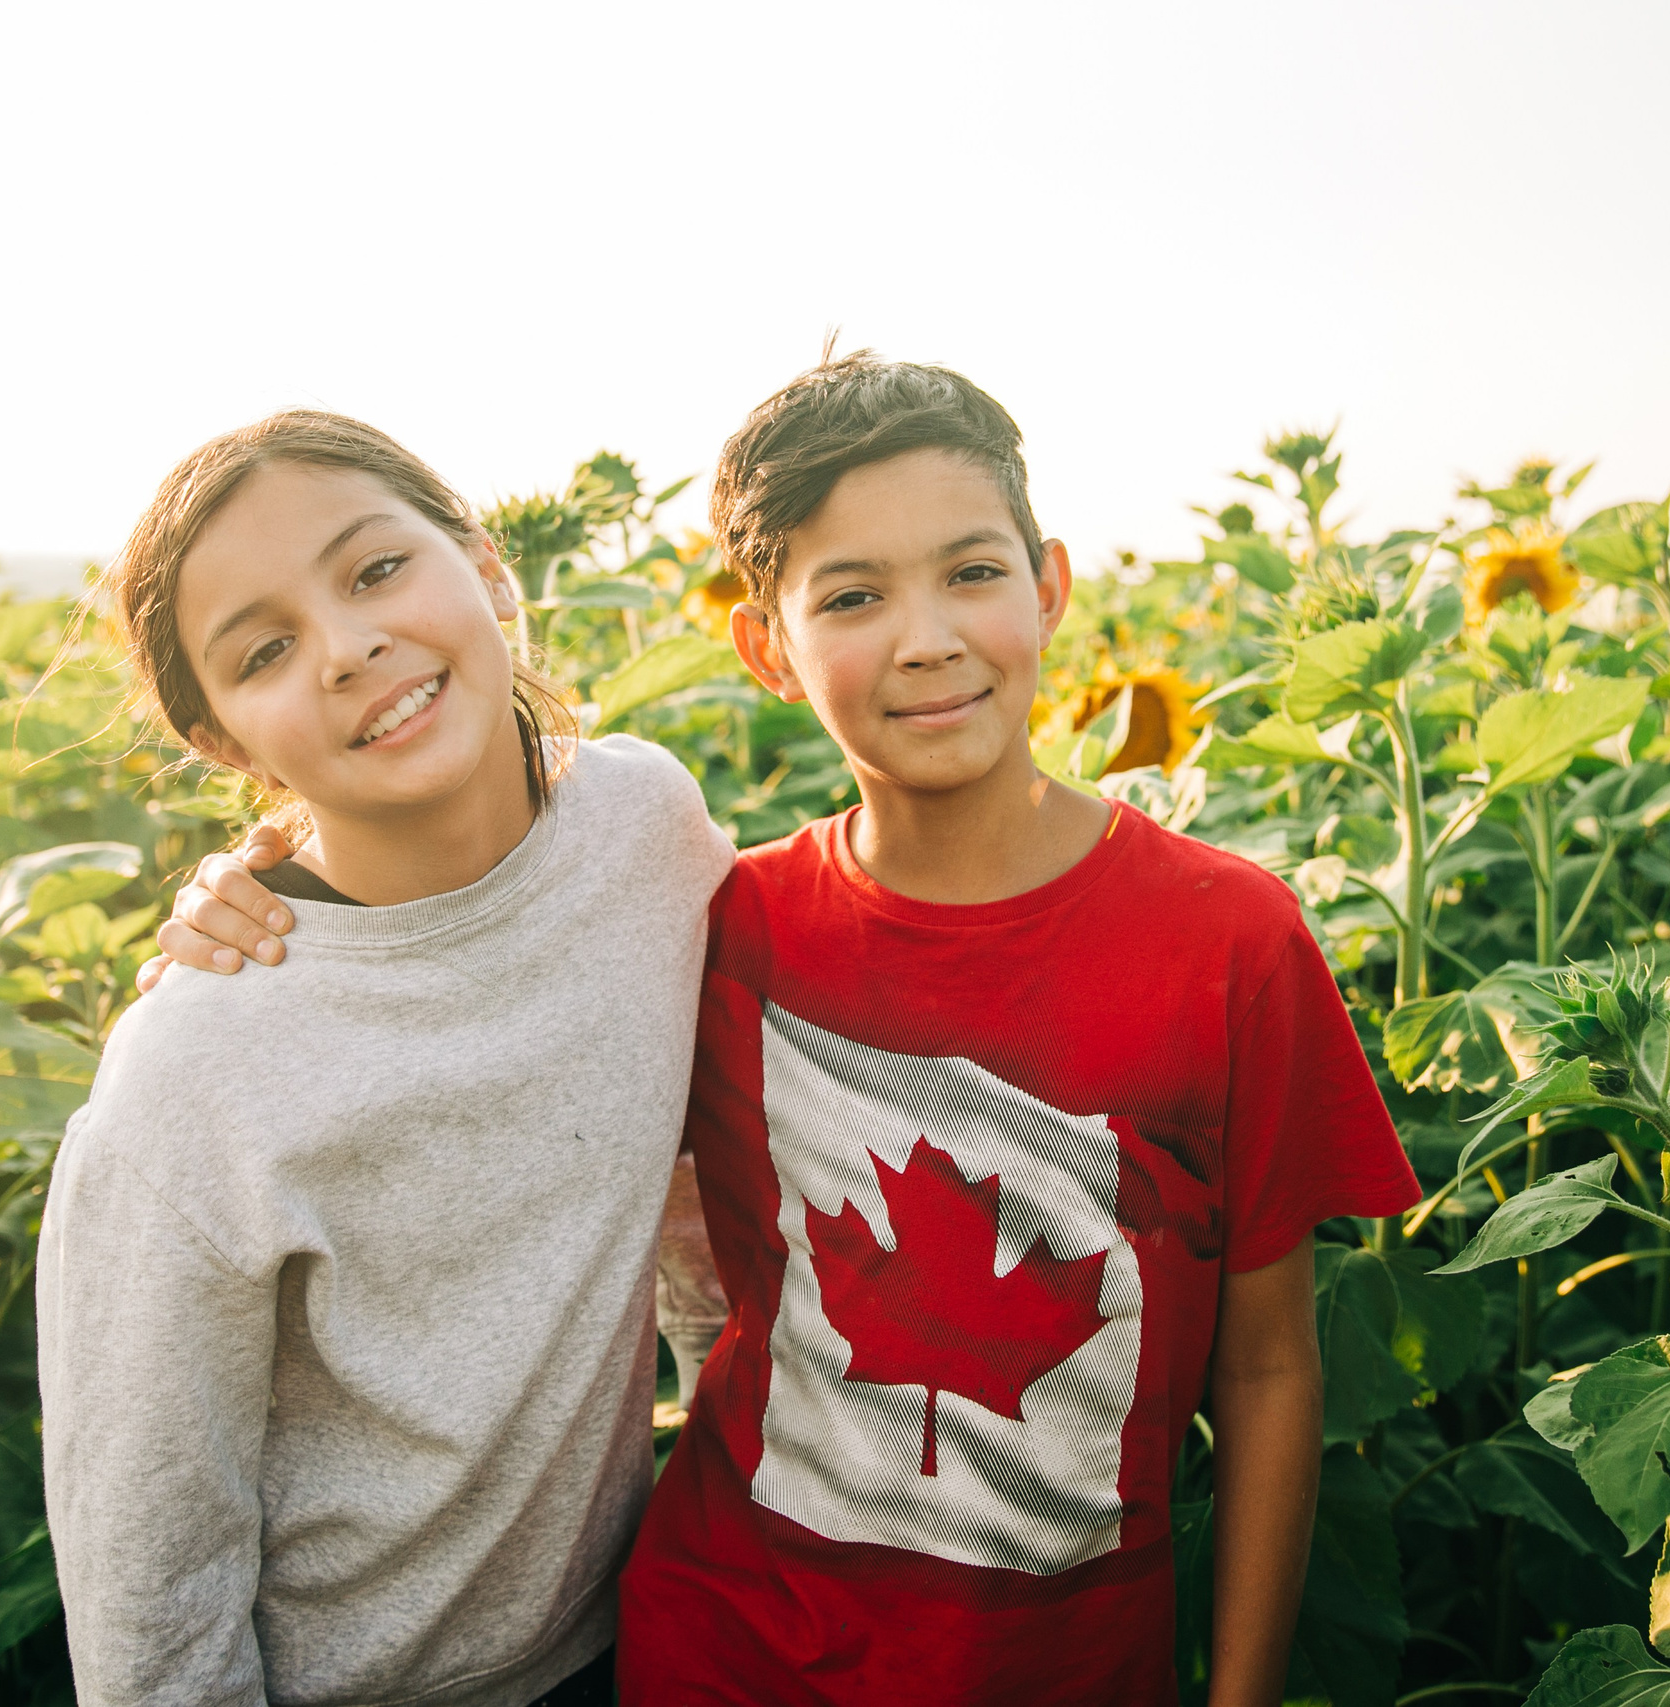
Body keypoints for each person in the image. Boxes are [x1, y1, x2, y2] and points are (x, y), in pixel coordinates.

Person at [155, 354, 1421, 1705]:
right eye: (854, 597)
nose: (927, 639)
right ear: (766, 647)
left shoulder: (1228, 940)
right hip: (729, 1649)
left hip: (1062, 1667)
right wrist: (269, 897)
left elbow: (1269, 1368)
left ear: (1049, 586)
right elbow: (473, 969)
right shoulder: (725, 920)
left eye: (971, 573)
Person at [36, 409, 733, 1707]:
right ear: (223, 743)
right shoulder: (199, 1069)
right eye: (264, 650)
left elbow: (713, 1131)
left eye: (374, 570)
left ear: (487, 564)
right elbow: (151, 1587)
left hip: (636, 1631)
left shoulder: (647, 825)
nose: (347, 646)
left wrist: (721, 1410)